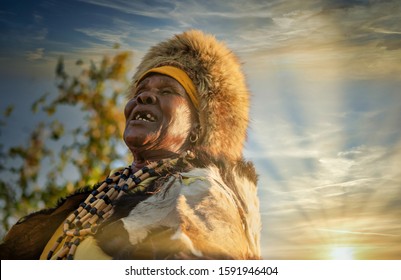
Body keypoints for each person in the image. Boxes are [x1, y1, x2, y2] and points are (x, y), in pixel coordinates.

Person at [0, 30, 261, 260]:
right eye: (138, 92)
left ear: (198, 129)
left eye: (168, 91)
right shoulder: (93, 201)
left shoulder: (207, 194)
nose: (144, 96)